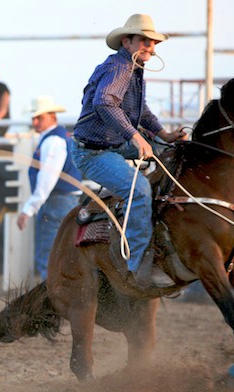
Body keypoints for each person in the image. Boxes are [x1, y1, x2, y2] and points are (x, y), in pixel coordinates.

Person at [70, 13, 186, 289]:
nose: (151, 47)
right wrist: (135, 136)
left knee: (176, 150)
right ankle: (137, 265)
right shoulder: (119, 68)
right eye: (145, 40)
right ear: (128, 41)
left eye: (153, 42)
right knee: (140, 190)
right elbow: (105, 103)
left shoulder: (132, 69)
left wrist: (162, 134)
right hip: (94, 153)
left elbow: (140, 110)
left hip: (111, 143)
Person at [17, 96, 82, 280]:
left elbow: (47, 179)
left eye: (40, 117)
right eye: (34, 118)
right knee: (63, 256)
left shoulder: (52, 141)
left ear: (52, 117)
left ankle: (51, 301)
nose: (35, 122)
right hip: (64, 200)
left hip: (56, 202)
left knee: (48, 256)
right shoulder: (58, 138)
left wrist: (29, 209)